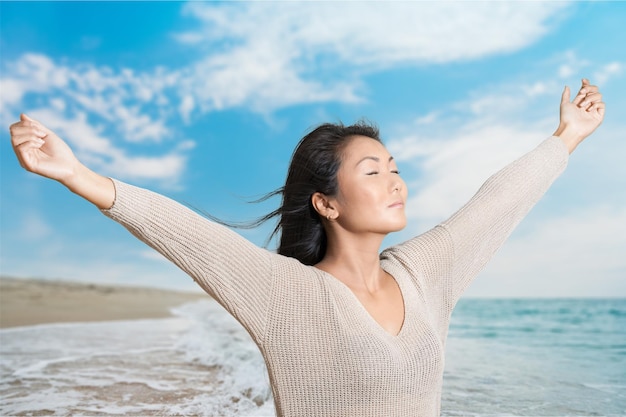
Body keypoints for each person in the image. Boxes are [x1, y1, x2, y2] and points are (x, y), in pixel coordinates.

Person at [9, 79, 604, 416]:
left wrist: (566, 137)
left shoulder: (427, 275)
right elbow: (187, 232)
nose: (395, 181)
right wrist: (76, 174)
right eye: (372, 172)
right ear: (328, 203)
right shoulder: (288, 293)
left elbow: (496, 203)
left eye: (394, 167)